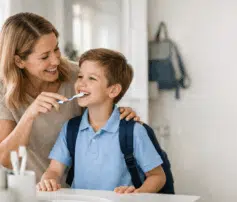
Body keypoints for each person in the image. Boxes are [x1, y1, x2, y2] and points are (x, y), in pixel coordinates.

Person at [0, 12, 139, 183]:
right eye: (45, 57)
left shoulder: (78, 77)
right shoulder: (3, 90)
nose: (56, 61)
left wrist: (120, 114)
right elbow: (6, 159)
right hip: (33, 190)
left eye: (56, 49)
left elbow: (103, 114)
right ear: (19, 61)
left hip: (81, 189)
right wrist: (29, 115)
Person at [37, 48, 166, 193]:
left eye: (91, 78)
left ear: (113, 90)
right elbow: (54, 170)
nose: (81, 83)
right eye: (80, 76)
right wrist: (48, 180)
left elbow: (158, 176)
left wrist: (137, 194)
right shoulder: (71, 128)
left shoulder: (134, 131)